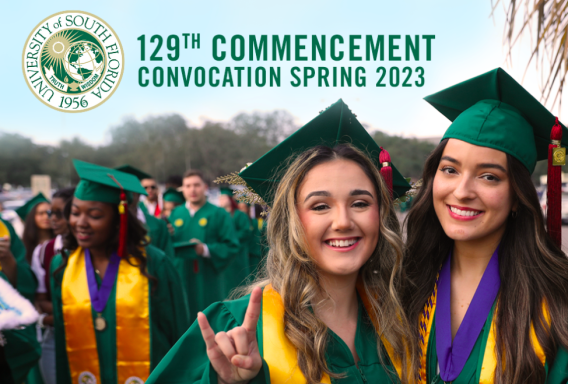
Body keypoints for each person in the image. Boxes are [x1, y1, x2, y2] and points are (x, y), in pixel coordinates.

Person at [146, 99, 415, 384]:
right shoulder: (238, 328)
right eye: (320, 206)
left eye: (360, 202)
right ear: (290, 221)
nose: (343, 221)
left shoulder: (406, 320)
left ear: (381, 215)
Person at [403, 68, 568, 383]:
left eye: (489, 176)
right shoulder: (406, 282)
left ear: (518, 195)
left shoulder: (555, 303)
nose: (462, 191)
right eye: (449, 169)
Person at [50, 160, 190, 384]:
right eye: (75, 213)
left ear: (118, 218)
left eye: (94, 215)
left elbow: (179, 336)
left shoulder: (154, 263)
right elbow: (61, 340)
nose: (80, 223)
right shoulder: (62, 265)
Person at [170, 170, 239, 321]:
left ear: (205, 187)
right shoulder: (175, 214)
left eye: (196, 185)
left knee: (209, 320)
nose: (192, 190)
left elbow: (231, 246)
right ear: (183, 189)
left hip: (207, 279)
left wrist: (205, 249)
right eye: (188, 186)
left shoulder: (219, 214)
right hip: (181, 276)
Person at [30, 187, 75, 384]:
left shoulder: (95, 252)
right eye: (51, 213)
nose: (52, 219)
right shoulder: (44, 251)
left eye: (59, 213)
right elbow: (41, 300)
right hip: (55, 337)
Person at [115, 165, 174, 259]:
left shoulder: (159, 225)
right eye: (122, 191)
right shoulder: (107, 224)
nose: (127, 195)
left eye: (132, 190)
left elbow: (168, 261)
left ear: (139, 192)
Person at [218, 188, 252, 297]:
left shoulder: (239, 215)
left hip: (238, 253)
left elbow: (245, 231)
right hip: (225, 253)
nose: (221, 200)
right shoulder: (220, 215)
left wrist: (231, 238)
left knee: (239, 279)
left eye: (224, 198)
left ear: (230, 199)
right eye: (220, 198)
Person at [17, 193, 53, 265]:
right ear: (32, 217)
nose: (46, 217)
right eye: (40, 213)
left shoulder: (60, 242)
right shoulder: (22, 246)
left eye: (49, 213)